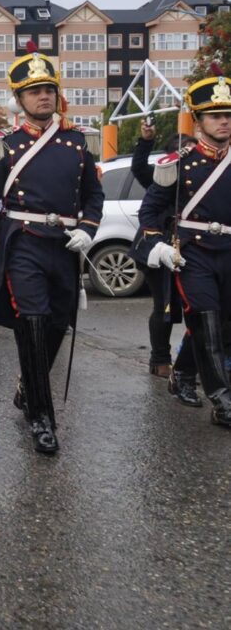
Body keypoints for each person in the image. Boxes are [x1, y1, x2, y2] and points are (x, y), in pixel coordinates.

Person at [0, 46, 104, 454]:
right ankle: (42, 418)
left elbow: (93, 196)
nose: (43, 96)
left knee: (58, 322)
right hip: (22, 240)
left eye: (48, 89)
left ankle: (29, 384)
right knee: (34, 320)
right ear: (19, 99)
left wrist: (88, 230)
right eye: (34, 91)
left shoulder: (79, 141)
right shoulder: (3, 145)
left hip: (65, 244)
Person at [138, 69, 231, 428]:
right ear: (198, 121)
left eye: (228, 115)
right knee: (205, 318)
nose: (224, 121)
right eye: (215, 115)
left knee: (221, 325)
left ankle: (182, 374)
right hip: (194, 253)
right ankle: (222, 400)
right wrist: (157, 244)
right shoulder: (180, 163)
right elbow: (149, 211)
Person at [129, 123, 198, 387]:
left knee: (201, 307)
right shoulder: (163, 175)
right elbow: (138, 168)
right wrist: (146, 141)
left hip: (192, 248)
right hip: (157, 248)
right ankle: (160, 359)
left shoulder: (203, 174)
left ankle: (196, 361)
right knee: (164, 306)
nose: (190, 155)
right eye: (185, 151)